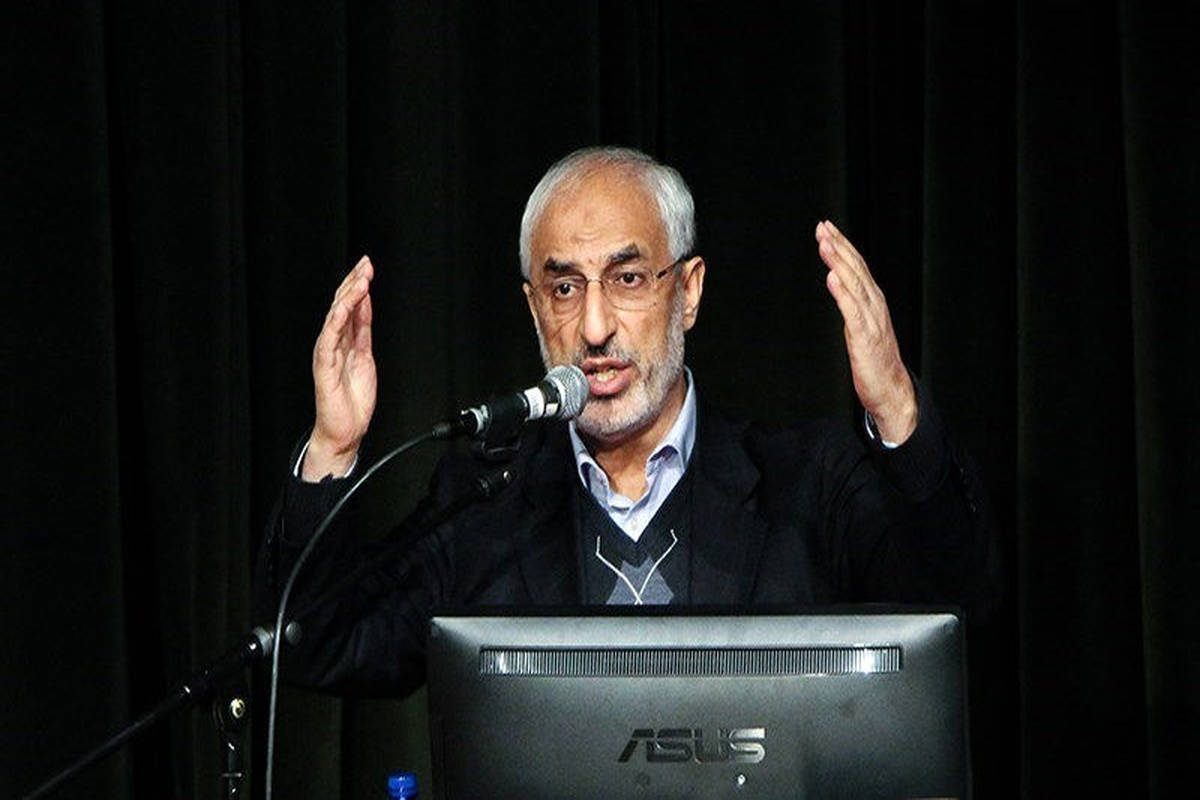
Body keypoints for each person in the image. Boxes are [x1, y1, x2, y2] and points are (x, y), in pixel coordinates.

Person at [255, 146, 1000, 697]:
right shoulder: (485, 500)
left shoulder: (809, 483)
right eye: (565, 289)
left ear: (689, 292)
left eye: (629, 278)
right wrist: (333, 446)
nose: (595, 326)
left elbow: (961, 609)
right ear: (533, 309)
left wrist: (898, 410)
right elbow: (318, 645)